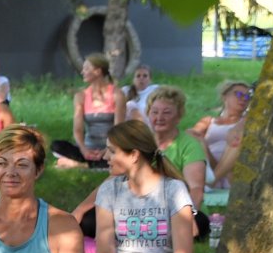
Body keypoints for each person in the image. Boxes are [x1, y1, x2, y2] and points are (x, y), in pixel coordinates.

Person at [86, 119, 231, 253]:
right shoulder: (108, 189)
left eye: (111, 151)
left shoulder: (174, 190)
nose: (105, 156)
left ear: (134, 155)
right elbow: (104, 250)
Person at [73, 87, 211, 242]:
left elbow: (196, 189)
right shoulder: (141, 141)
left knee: (199, 224)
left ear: (178, 117)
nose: (160, 117)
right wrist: (81, 209)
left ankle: (137, 236)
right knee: (88, 221)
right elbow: (112, 181)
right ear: (148, 114)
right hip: (135, 209)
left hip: (173, 210)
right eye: (155, 112)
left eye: (167, 112)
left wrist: (186, 220)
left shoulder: (189, 145)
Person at [52, 53, 128, 168]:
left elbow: (119, 129)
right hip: (88, 150)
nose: (82, 72)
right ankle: (92, 164)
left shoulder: (117, 94)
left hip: (111, 148)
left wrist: (106, 149)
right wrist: (83, 149)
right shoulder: (80, 96)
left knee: (122, 155)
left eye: (86, 68)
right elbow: (78, 130)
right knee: (56, 145)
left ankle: (80, 165)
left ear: (97, 71)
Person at [190, 80, 252, 190]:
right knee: (195, 138)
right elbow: (191, 134)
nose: (243, 99)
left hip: (232, 170)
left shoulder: (247, 122)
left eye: (247, 97)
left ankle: (212, 181)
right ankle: (210, 177)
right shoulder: (208, 121)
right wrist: (201, 141)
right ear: (225, 97)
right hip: (210, 163)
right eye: (238, 94)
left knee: (238, 139)